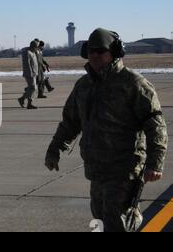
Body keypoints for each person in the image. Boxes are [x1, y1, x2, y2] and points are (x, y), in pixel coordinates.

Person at [45, 28, 168, 232]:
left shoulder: (133, 84)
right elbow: (69, 123)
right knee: (101, 217)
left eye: (100, 51)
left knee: (116, 221)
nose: (94, 55)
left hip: (124, 169)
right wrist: (54, 150)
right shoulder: (84, 86)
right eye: (90, 50)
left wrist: (156, 163)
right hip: (96, 170)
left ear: (115, 52)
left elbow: (155, 124)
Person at [18, 41, 39, 110]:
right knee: (33, 88)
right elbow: (27, 64)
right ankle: (28, 103)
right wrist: (30, 73)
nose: (37, 48)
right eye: (36, 47)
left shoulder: (33, 52)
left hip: (34, 73)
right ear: (33, 46)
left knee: (32, 88)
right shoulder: (27, 53)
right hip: (30, 74)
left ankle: (23, 99)